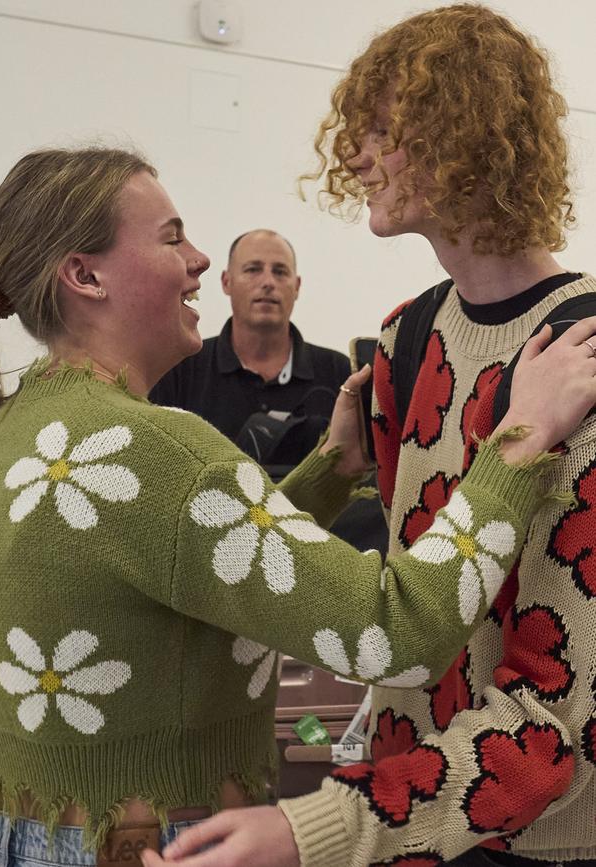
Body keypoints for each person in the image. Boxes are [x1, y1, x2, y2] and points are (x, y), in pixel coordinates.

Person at [0, 149, 593, 867]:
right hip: (155, 846)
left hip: (13, 839)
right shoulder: (150, 449)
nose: (199, 261)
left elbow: (181, 562)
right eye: (170, 237)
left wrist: (328, 471)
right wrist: (518, 443)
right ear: (85, 274)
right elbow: (394, 633)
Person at [150, 5, 596, 867]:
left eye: (385, 129)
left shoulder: (578, 354)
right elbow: (409, 603)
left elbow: (556, 714)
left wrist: (316, 829)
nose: (356, 154)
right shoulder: (403, 343)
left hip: (540, 835)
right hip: (412, 810)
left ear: (466, 136)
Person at [150, 228, 386, 552]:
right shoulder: (179, 369)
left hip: (319, 557)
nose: (267, 282)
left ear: (297, 287)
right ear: (226, 282)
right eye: (253, 269)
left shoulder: (344, 377)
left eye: (280, 271)